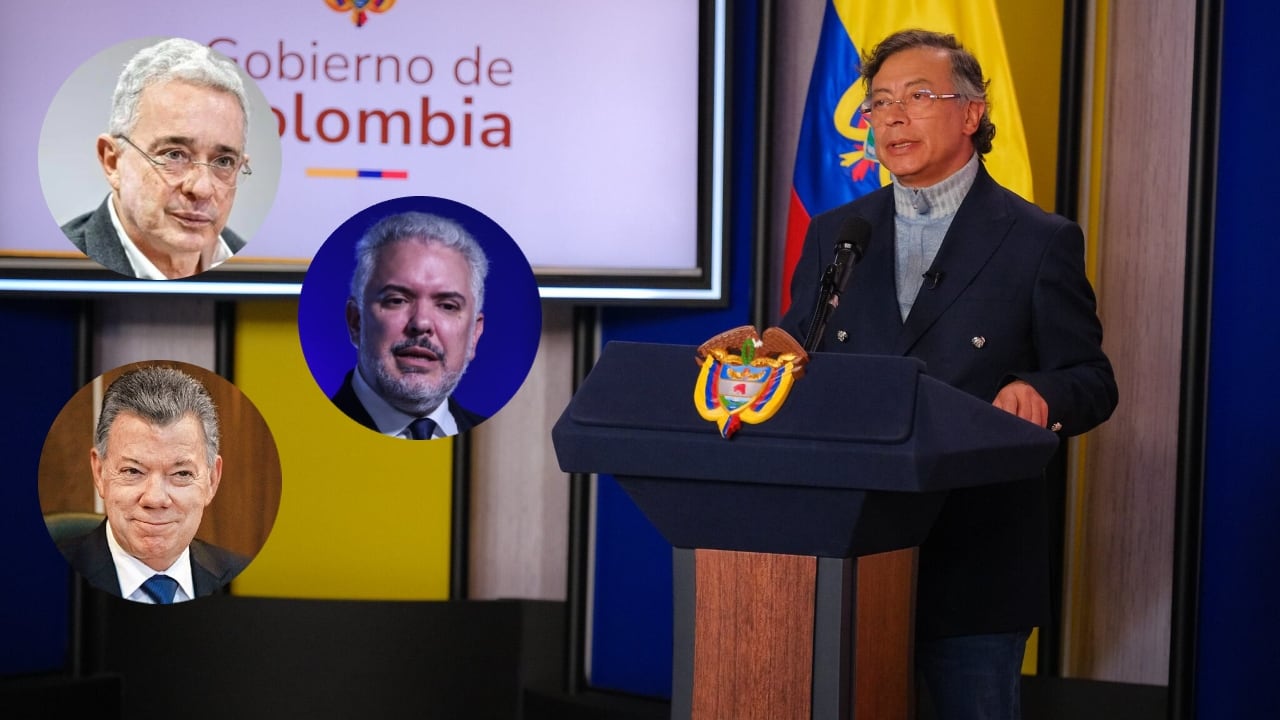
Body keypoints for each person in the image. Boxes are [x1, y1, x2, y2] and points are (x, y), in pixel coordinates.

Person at [781, 29, 1118, 720]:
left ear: (972, 113)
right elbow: (803, 346)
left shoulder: (1037, 239)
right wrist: (759, 355)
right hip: (848, 552)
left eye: (918, 97)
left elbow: (1091, 376)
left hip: (975, 563)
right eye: (877, 103)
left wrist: (1041, 393)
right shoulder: (839, 233)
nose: (893, 117)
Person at [61, 38, 252, 279]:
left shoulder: (253, 262)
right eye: (174, 155)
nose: (202, 189)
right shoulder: (53, 263)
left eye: (223, 161)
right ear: (112, 161)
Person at [57, 367, 249, 603]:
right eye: (133, 471)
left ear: (211, 480)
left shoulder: (247, 579)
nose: (155, 499)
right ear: (99, 473)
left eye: (181, 473)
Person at [331, 211, 489, 439]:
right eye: (397, 300)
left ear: (474, 335)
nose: (421, 323)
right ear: (356, 321)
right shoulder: (303, 434)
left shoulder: (503, 445)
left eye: (447, 305)